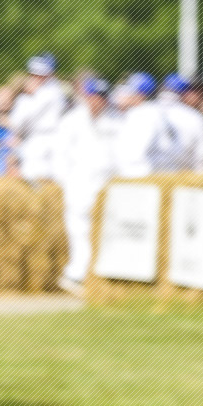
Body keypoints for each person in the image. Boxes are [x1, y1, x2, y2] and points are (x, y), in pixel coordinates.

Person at [52, 76, 120, 290]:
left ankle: (99, 274)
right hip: (79, 181)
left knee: (106, 228)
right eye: (93, 96)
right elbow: (60, 153)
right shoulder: (72, 120)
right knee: (78, 228)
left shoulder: (117, 120)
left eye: (101, 97)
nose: (97, 101)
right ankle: (78, 273)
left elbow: (122, 153)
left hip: (107, 182)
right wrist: (65, 180)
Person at [9, 53, 68, 181]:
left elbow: (17, 121)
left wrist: (26, 95)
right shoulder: (56, 91)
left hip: (38, 142)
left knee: (35, 181)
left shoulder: (44, 93)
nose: (33, 77)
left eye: (37, 75)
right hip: (41, 141)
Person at [112, 72, 166, 178]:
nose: (121, 95)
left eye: (127, 92)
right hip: (149, 175)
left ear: (140, 95)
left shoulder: (142, 115)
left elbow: (134, 155)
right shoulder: (152, 111)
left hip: (139, 177)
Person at [156, 73, 203, 173]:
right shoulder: (195, 117)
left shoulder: (140, 111)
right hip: (182, 177)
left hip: (142, 178)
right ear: (187, 92)